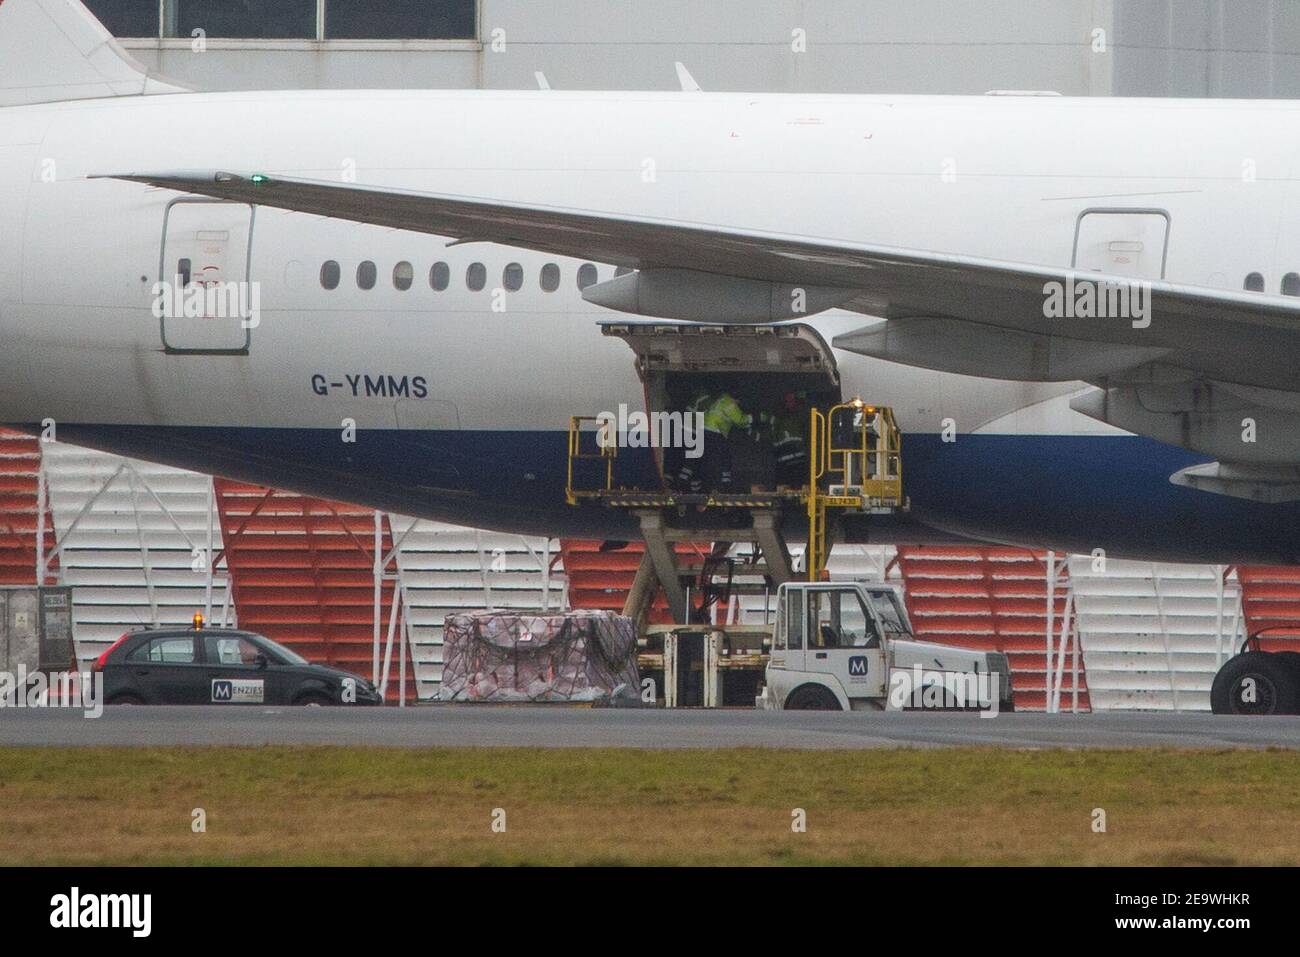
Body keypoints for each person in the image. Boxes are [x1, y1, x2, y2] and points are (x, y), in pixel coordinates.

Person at [699, 391, 751, 490]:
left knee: (711, 460)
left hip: (705, 433)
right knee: (724, 459)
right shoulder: (730, 403)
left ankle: (710, 486)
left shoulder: (720, 400)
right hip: (715, 433)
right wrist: (756, 418)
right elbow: (740, 419)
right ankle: (724, 486)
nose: (738, 405)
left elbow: (735, 422)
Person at [771, 392, 809, 489]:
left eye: (792, 401)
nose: (790, 404)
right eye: (788, 401)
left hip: (794, 459)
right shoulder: (782, 418)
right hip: (788, 459)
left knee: (793, 484)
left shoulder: (794, 418)